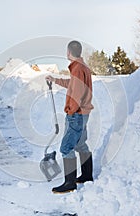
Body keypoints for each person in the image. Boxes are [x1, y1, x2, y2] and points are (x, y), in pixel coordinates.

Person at [45, 40, 94, 194]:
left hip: (77, 115)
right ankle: (86, 176)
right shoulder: (81, 67)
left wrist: (70, 110)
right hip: (83, 114)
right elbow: (73, 85)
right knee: (80, 144)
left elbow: (77, 93)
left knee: (66, 147)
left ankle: (70, 183)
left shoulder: (78, 68)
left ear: (69, 52)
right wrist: (55, 80)